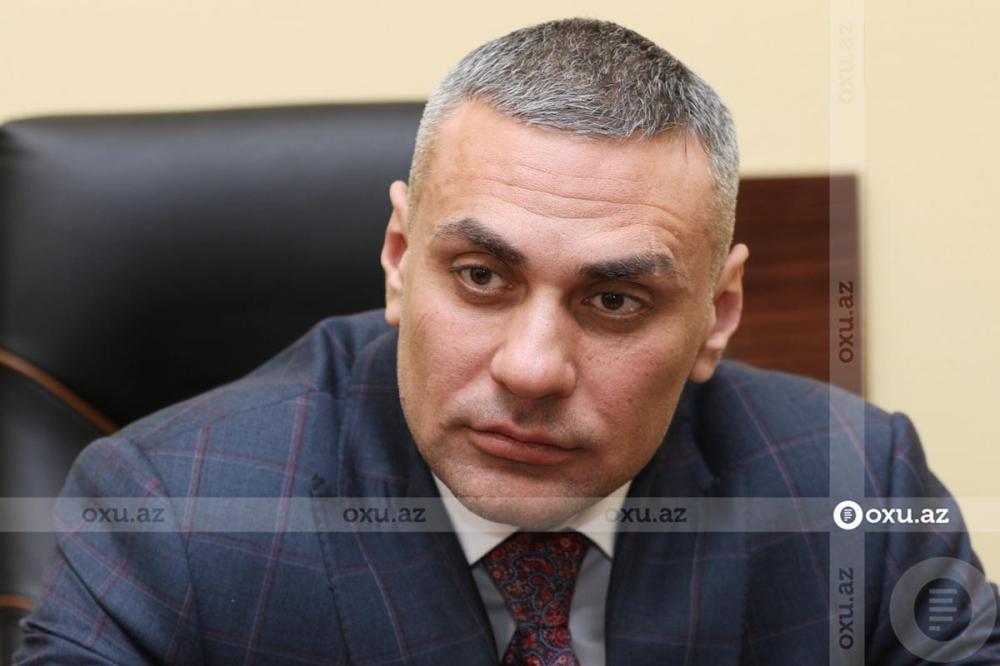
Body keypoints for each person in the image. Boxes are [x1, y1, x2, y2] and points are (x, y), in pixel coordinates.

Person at [14, 17, 1000, 665]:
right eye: (482, 277)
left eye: (615, 300)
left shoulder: (858, 486)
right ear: (399, 260)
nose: (530, 369)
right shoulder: (171, 518)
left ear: (720, 313)